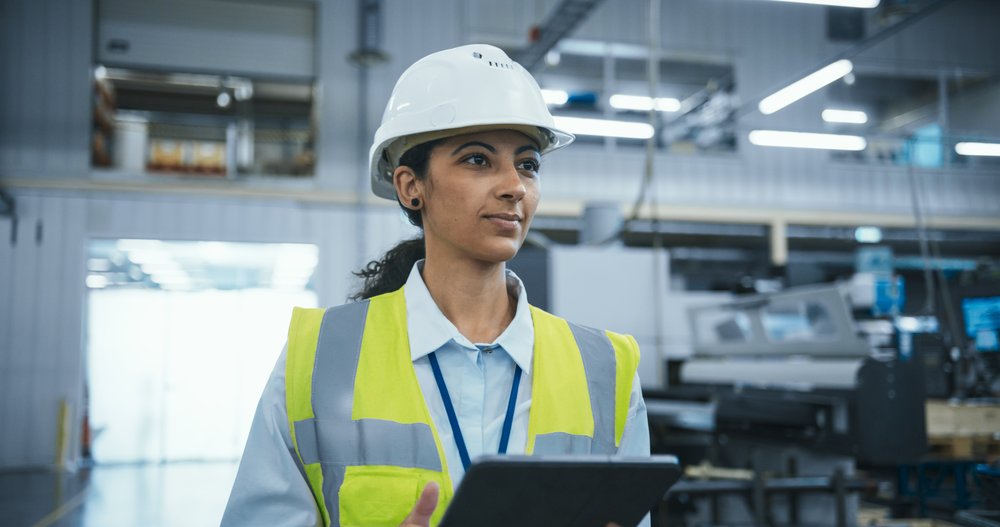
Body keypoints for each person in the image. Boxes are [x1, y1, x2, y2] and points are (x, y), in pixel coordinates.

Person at [222, 43, 651, 527]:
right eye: (477, 160)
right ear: (411, 186)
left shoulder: (607, 371)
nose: (515, 186)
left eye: (528, 164)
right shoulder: (318, 359)